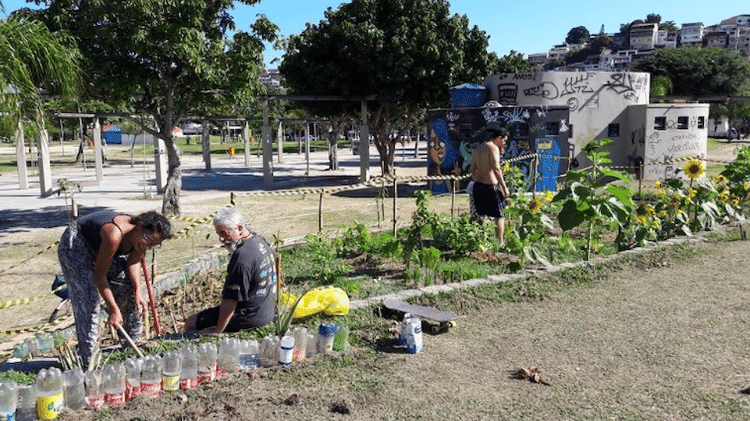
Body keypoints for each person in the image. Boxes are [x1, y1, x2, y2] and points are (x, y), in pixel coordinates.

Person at [57, 210, 172, 368]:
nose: (147, 247)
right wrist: (113, 309)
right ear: (139, 226)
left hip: (101, 246)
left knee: (127, 285)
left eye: (153, 245)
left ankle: (132, 341)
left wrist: (138, 290)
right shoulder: (114, 234)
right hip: (77, 244)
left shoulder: (142, 238)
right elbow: (100, 276)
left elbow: (133, 261)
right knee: (89, 299)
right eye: (147, 242)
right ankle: (89, 359)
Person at [184, 207, 277, 335]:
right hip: (266, 313)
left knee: (190, 322)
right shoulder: (261, 242)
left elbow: (231, 299)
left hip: (248, 319)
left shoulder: (242, 257)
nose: (221, 239)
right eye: (218, 234)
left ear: (239, 228)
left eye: (223, 233)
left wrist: (217, 330)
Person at [470, 127, 511, 246]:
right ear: (499, 138)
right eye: (504, 140)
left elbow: (473, 169)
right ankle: (500, 244)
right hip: (490, 186)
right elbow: (496, 168)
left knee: (480, 215)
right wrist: (504, 187)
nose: (504, 143)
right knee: (500, 216)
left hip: (478, 186)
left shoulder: (479, 148)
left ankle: (479, 241)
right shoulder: (493, 147)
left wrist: (477, 179)